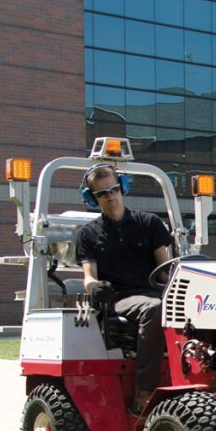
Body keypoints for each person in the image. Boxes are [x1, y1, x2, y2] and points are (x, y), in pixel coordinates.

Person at [75, 163, 172, 413]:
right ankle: (144, 389)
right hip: (121, 297)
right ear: (92, 198)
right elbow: (89, 277)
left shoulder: (149, 223)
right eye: (102, 193)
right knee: (155, 308)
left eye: (114, 189)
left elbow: (166, 269)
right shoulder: (88, 234)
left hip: (156, 291)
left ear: (123, 188)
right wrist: (95, 287)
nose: (110, 196)